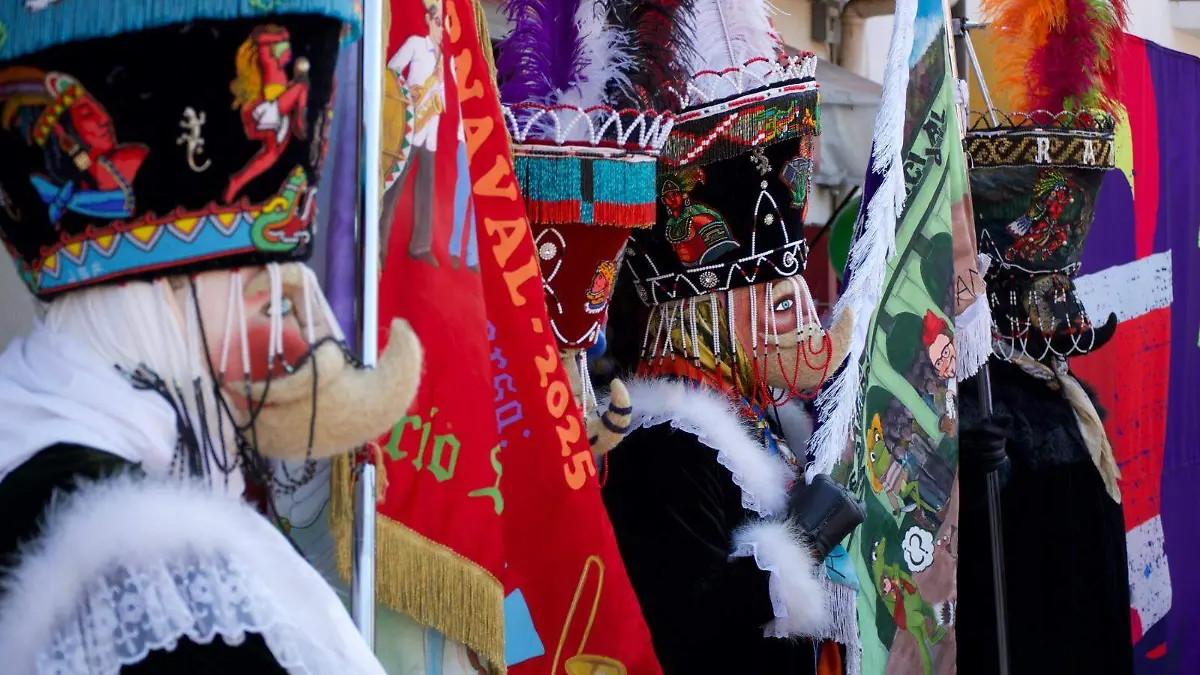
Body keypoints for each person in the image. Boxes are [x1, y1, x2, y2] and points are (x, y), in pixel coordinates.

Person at [0, 5, 423, 672]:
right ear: (165, 295)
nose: (300, 325)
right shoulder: (161, 583)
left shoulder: (24, 427)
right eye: (257, 280)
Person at [600, 4, 865, 671]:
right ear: (712, 313)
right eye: (779, 304)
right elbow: (683, 625)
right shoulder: (664, 445)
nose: (805, 331)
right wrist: (795, 543)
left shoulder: (758, 419)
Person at [958, 95, 1131, 675]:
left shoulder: (1068, 394)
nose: (1067, 307)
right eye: (1048, 290)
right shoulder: (972, 392)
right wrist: (963, 460)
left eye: (1065, 288)